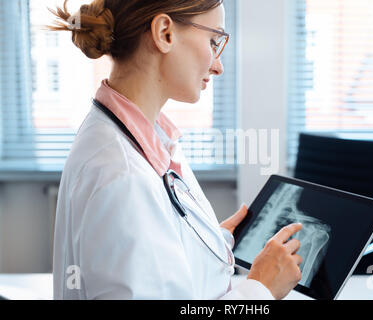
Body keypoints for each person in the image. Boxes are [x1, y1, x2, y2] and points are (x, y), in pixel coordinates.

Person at [49, 0, 303, 300]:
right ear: (165, 32)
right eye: (213, 40)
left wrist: (211, 243)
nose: (218, 65)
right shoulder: (122, 175)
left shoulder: (135, 139)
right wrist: (261, 289)